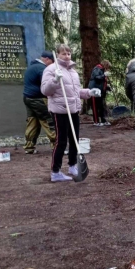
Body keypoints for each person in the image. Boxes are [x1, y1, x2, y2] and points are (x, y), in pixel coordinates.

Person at [41, 44, 101, 182]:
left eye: (68, 53)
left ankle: (72, 165)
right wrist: (55, 80)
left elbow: (76, 92)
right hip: (60, 110)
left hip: (73, 109)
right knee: (61, 142)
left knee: (75, 140)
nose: (67, 56)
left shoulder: (73, 72)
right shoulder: (51, 70)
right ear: (57, 55)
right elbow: (45, 91)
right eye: (63, 54)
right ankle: (55, 172)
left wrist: (89, 92)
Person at [22, 51, 56, 154]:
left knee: (32, 123)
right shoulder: (42, 69)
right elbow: (47, 85)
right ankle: (56, 145)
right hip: (38, 99)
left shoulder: (31, 67)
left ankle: (29, 147)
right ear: (47, 59)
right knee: (49, 121)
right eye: (52, 61)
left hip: (28, 98)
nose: (53, 64)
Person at [88, 60, 112, 126]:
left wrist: (107, 87)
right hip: (94, 90)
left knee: (101, 106)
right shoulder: (97, 68)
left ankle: (103, 120)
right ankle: (96, 121)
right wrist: (104, 75)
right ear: (105, 65)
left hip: (100, 91)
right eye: (107, 67)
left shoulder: (102, 70)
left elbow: (101, 82)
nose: (107, 69)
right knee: (95, 106)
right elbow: (96, 78)